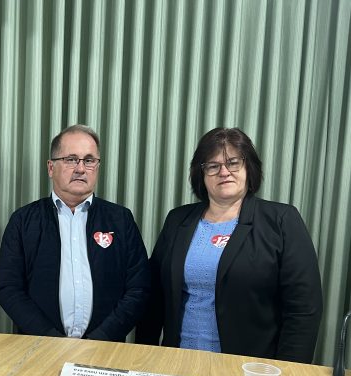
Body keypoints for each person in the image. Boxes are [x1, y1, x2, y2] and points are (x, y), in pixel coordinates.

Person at [135, 128, 323, 363]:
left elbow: (303, 309)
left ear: (248, 168)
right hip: (178, 363)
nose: (224, 172)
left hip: (249, 369)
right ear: (201, 174)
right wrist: (145, 358)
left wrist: (286, 372)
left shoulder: (281, 220)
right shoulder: (177, 220)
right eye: (213, 166)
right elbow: (154, 298)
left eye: (233, 163)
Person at [0, 125, 150, 341]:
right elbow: (8, 288)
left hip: (105, 349)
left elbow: (138, 288)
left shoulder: (121, 219)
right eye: (71, 159)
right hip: (39, 347)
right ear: (51, 168)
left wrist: (101, 338)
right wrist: (48, 338)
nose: (81, 169)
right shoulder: (23, 220)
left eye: (89, 160)